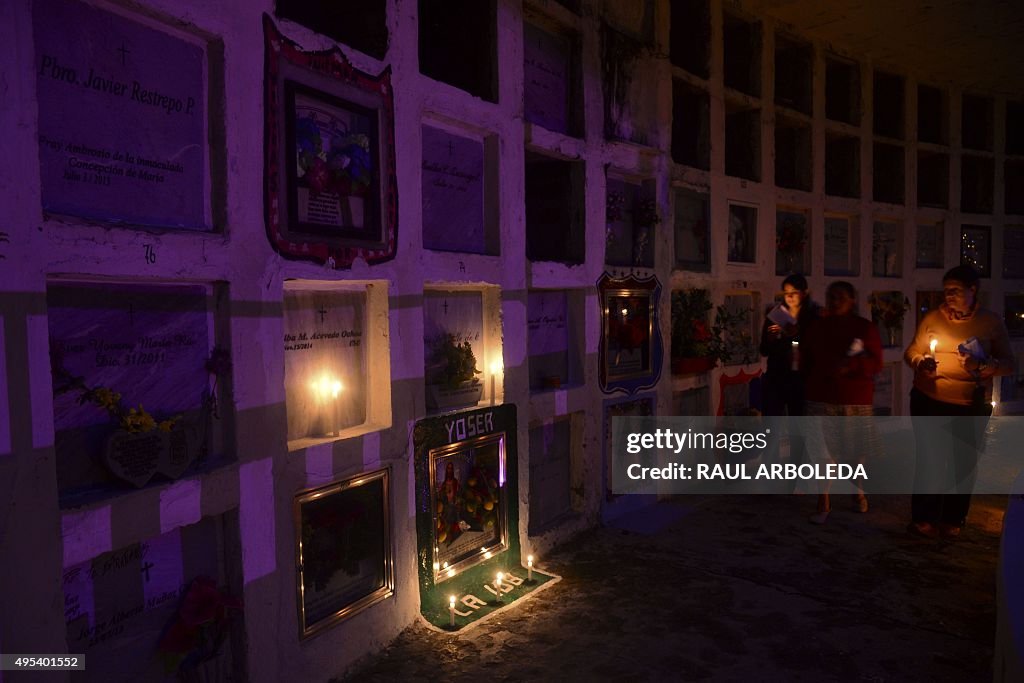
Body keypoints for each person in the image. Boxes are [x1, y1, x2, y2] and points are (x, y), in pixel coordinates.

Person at [904, 265, 1014, 539]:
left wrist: (984, 365)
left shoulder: (990, 323)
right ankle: (923, 517)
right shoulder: (932, 318)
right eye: (946, 291)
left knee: (962, 462)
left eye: (955, 291)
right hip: (929, 400)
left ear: (972, 289)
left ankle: (953, 518)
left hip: (969, 405)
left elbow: (1010, 364)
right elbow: (912, 350)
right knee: (929, 460)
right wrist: (921, 362)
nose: (949, 296)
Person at [800, 281, 883, 524]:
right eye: (830, 296)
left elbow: (875, 363)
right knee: (822, 452)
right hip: (820, 396)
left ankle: (857, 490)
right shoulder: (817, 328)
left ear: (852, 300)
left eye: (839, 297)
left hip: (853, 398)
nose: (834, 302)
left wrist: (851, 365)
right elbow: (806, 358)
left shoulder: (864, 328)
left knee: (855, 451)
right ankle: (823, 499)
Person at [758, 274, 820, 477]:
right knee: (771, 426)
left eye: (794, 293)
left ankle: (797, 474)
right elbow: (763, 350)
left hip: (800, 379)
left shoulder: (813, 316)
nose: (790, 297)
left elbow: (817, 347)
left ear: (804, 293)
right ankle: (768, 473)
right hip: (776, 377)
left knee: (798, 428)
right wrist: (770, 338)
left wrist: (797, 335)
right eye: (786, 293)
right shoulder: (776, 314)